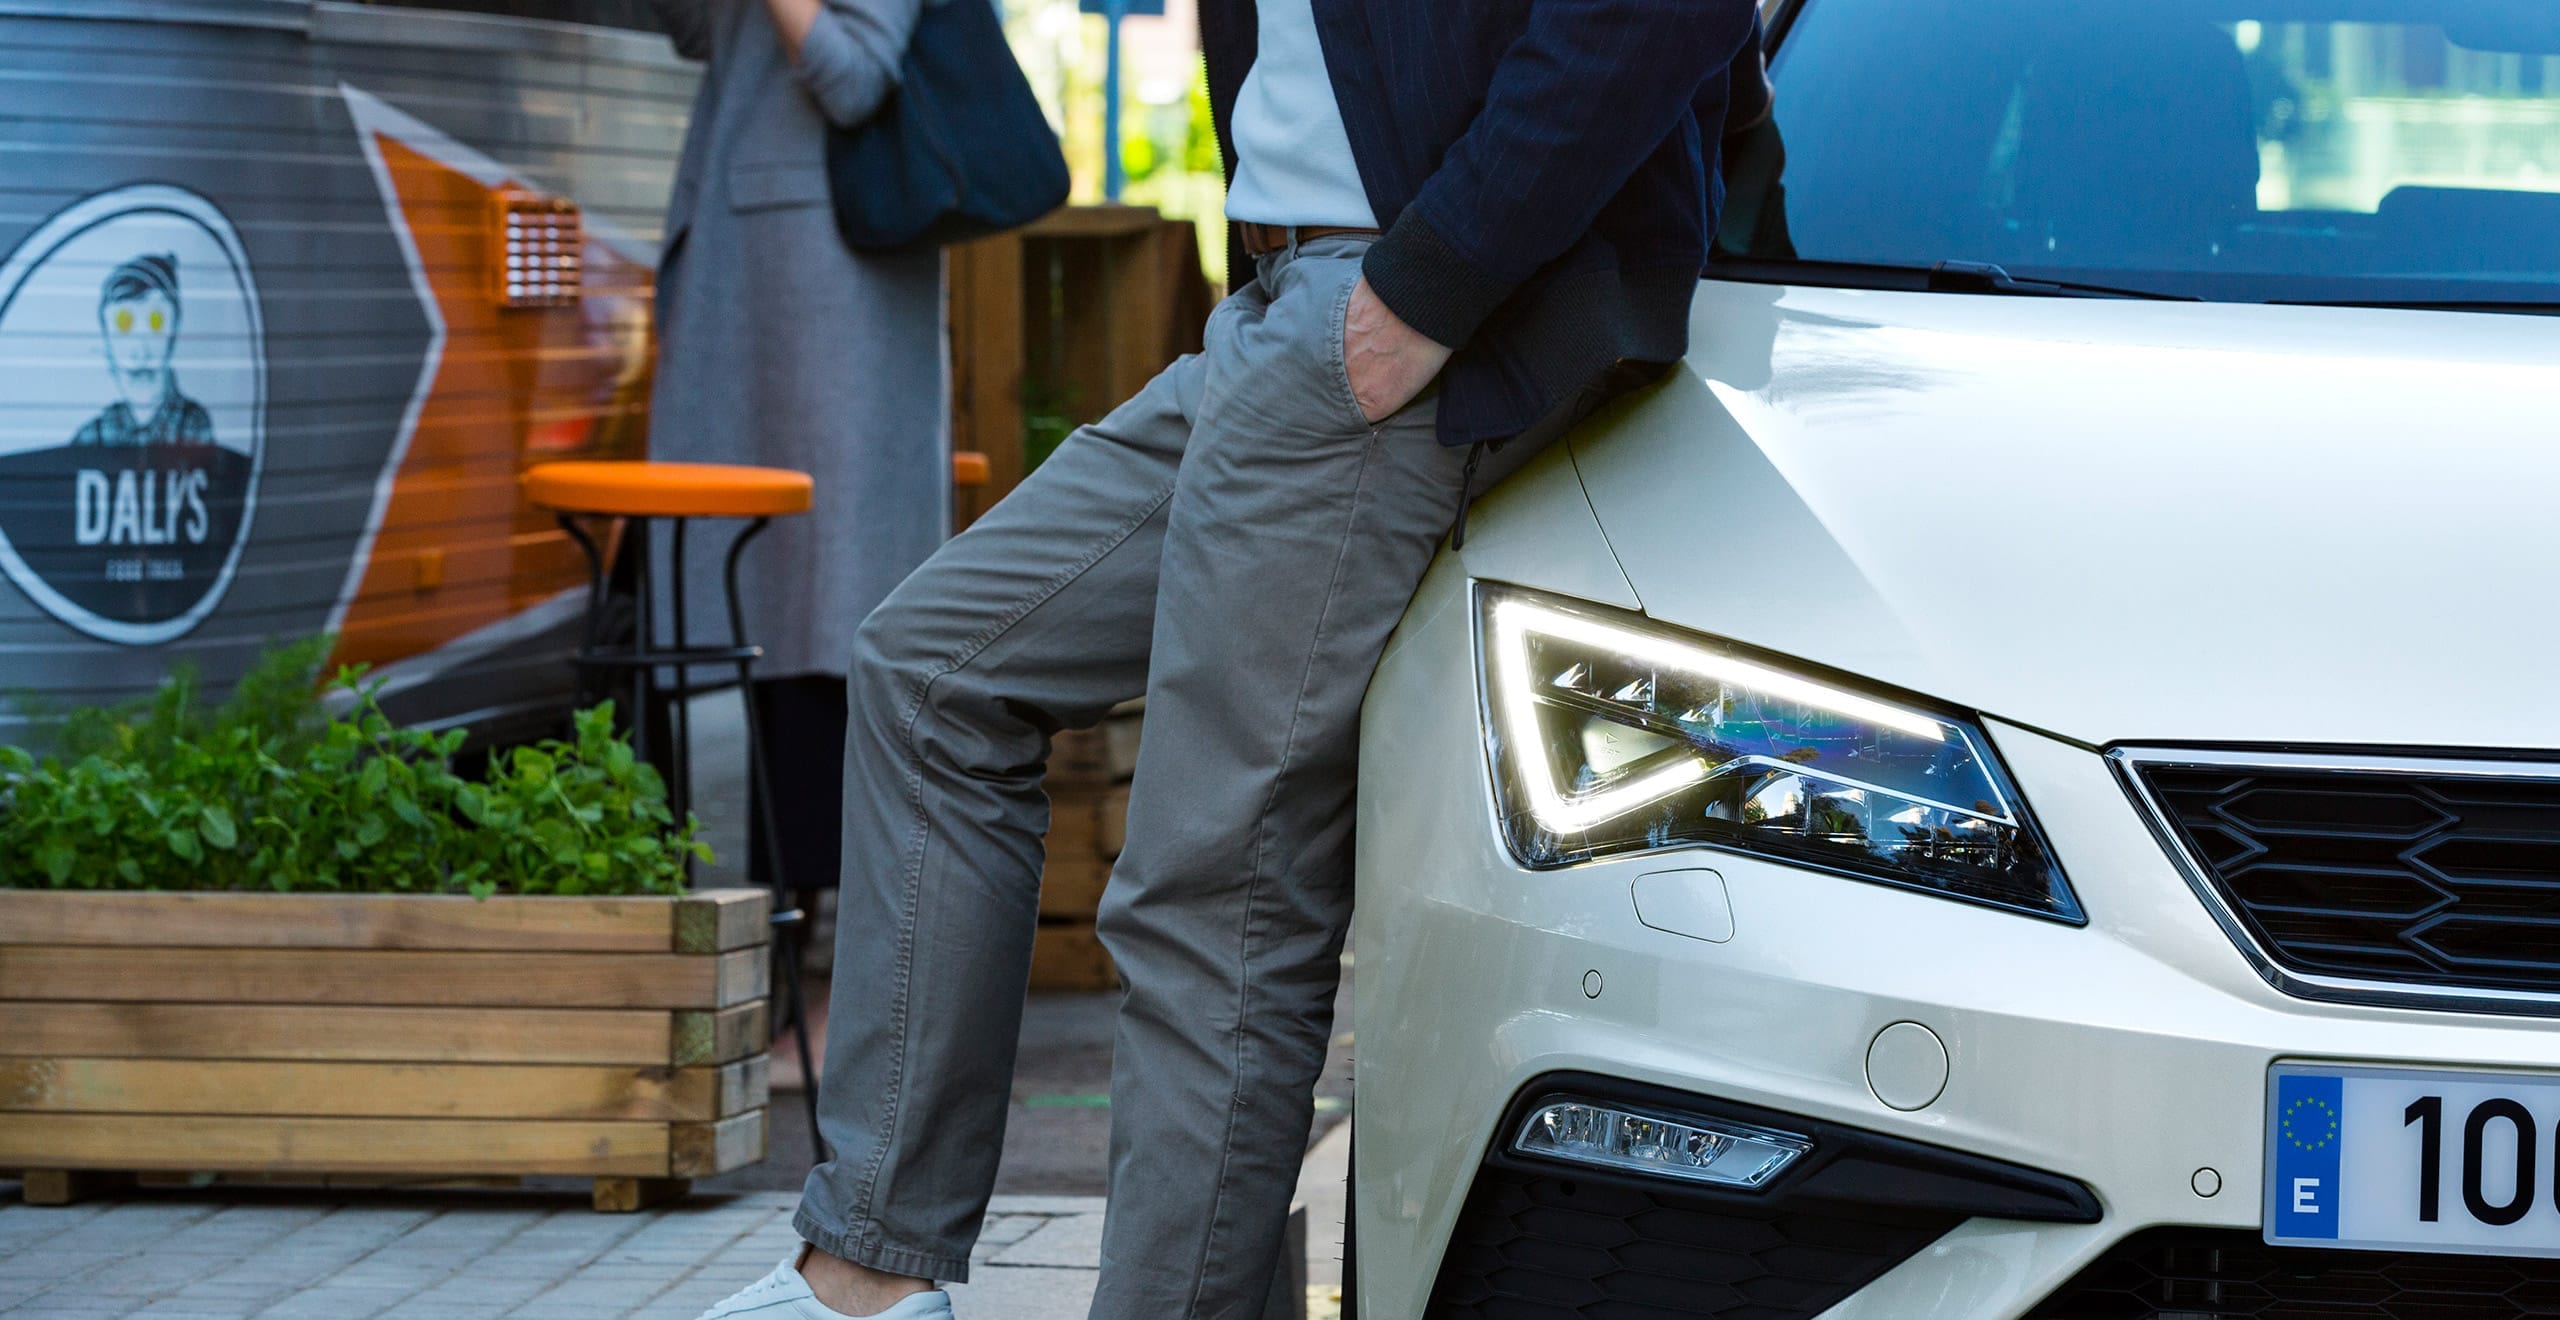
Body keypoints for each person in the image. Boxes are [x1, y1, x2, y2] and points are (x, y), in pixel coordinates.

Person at [698, 1, 1767, 1317]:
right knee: (934, 669)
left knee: (1215, 892)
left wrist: (1431, 283)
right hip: (1293, 311)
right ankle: (871, 1267)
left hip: (1405, 297)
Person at [647, 0, 948, 900]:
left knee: (825, 601)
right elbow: (692, 29)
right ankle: (747, 938)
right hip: (747, 261)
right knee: (737, 594)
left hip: (829, 284)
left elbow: (855, 74)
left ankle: (815, 966)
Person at [73, 253, 215, 448]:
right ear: (106, 339)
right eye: (123, 324)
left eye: (156, 323)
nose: (141, 351)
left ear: (174, 331)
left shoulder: (193, 426)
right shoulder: (91, 437)